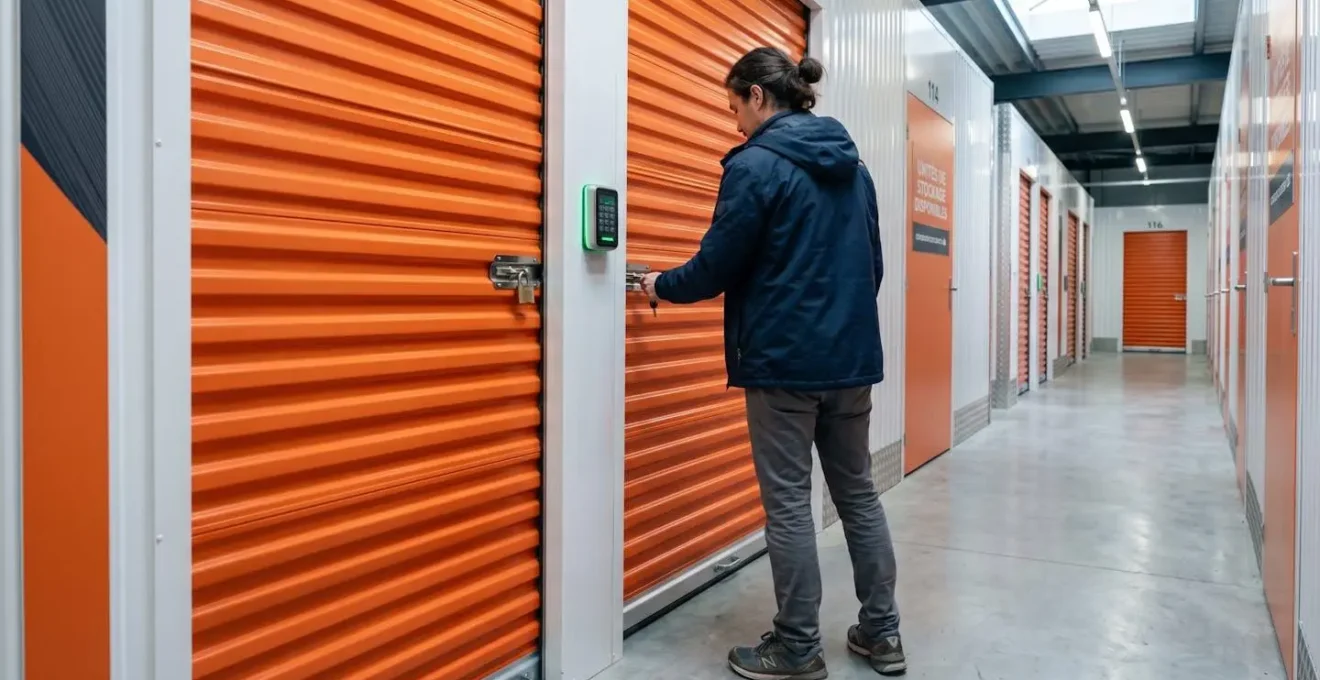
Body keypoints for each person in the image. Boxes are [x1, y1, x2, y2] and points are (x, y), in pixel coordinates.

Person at [640, 47, 905, 679]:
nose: (733, 122)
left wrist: (656, 285)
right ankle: (883, 633)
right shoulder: (855, 168)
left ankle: (796, 646)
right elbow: (873, 266)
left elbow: (715, 268)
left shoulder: (754, 166)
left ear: (758, 96)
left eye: (734, 106)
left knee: (788, 504)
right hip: (851, 363)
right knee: (858, 494)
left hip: (783, 366)